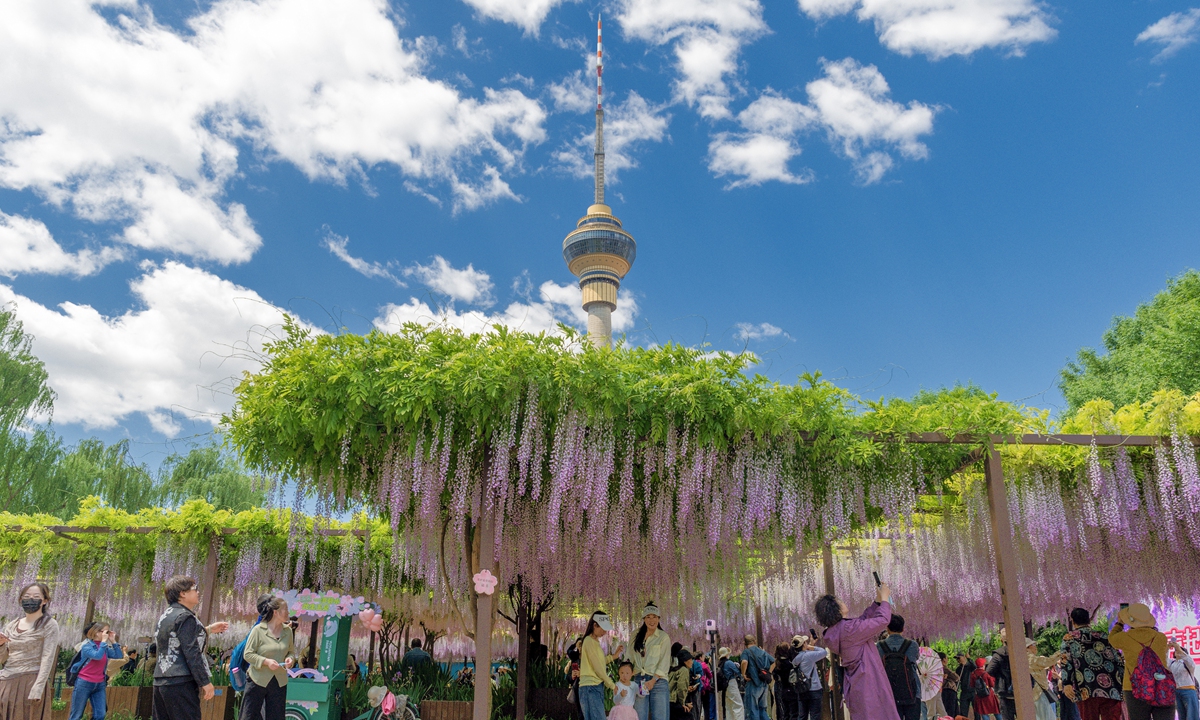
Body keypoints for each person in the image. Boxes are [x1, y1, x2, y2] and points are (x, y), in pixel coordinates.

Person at [152, 575, 229, 720]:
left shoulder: (166, 615)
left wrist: (208, 629)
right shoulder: (185, 616)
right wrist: (205, 681)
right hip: (181, 682)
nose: (198, 592)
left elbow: (177, 639)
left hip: (161, 680)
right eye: (195, 589)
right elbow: (191, 651)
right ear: (182, 593)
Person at [816, 582, 896, 720]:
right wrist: (884, 598)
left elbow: (863, 621)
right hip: (869, 681)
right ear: (836, 609)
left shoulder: (837, 631)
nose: (843, 602)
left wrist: (877, 602)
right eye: (839, 601)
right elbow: (883, 620)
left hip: (857, 683)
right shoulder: (849, 630)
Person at [0, 582, 59, 720]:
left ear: (44, 601)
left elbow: (47, 657)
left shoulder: (49, 625)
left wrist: (38, 687)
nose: (30, 599)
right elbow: (3, 659)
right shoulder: (11, 624)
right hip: (6, 680)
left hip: (30, 680)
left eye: (35, 596)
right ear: (20, 600)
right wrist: (1, 645)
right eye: (26, 596)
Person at [1109, 603, 1173, 720]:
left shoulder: (1124, 638)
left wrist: (1119, 623)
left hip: (1134, 687)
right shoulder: (1161, 637)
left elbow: (1112, 639)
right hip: (1161, 685)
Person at [1059, 608, 1122, 720]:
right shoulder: (1103, 636)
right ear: (1088, 620)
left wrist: (1067, 682)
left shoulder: (1069, 638)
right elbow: (1118, 659)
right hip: (1111, 687)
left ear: (1073, 621)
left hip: (1085, 687)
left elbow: (1066, 662)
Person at [241, 595, 295, 720]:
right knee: (249, 716)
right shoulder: (258, 630)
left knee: (276, 716)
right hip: (257, 679)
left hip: (279, 680)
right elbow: (248, 654)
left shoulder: (288, 631)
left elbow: (291, 652)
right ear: (275, 612)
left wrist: (290, 659)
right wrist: (266, 661)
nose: (288, 612)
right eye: (285, 609)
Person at [68, 622, 125, 720]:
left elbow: (118, 655)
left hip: (99, 684)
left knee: (100, 715)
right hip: (84, 683)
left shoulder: (105, 647)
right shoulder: (86, 646)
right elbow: (97, 656)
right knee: (76, 715)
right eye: (105, 632)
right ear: (96, 632)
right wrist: (103, 641)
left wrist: (113, 641)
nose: (106, 634)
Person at [627, 603, 672, 720]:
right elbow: (629, 657)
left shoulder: (663, 637)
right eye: (648, 617)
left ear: (659, 619)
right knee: (639, 715)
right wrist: (626, 674)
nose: (651, 620)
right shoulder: (635, 635)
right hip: (639, 679)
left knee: (660, 716)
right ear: (643, 619)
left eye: (654, 617)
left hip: (658, 681)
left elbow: (664, 662)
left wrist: (653, 680)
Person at [579, 611, 623, 720]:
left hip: (592, 686)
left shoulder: (594, 642)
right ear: (594, 625)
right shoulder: (589, 641)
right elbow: (597, 667)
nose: (604, 632)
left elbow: (599, 661)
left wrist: (614, 656)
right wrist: (611, 685)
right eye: (602, 628)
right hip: (591, 686)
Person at [878, 614, 921, 720]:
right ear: (903, 628)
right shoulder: (913, 645)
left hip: (889, 694)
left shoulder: (879, 646)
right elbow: (916, 658)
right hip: (912, 692)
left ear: (887, 628)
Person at [1025, 637, 1063, 720]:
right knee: (1046, 716)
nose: (1035, 647)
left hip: (1030, 693)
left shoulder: (1022, 659)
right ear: (1028, 647)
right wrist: (1060, 652)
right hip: (1038, 692)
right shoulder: (1030, 658)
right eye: (1033, 645)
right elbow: (1048, 661)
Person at [791, 636, 827, 720]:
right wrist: (812, 647)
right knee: (815, 715)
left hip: (801, 689)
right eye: (805, 642)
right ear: (804, 644)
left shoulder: (794, 659)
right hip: (814, 689)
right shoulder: (808, 656)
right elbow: (824, 652)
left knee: (802, 716)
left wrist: (809, 645)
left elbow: (805, 654)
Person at [738, 635, 773, 720]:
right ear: (754, 641)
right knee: (762, 710)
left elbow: (744, 662)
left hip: (753, 682)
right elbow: (773, 661)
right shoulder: (762, 652)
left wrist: (743, 674)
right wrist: (768, 673)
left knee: (752, 710)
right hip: (763, 684)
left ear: (744, 643)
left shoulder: (746, 652)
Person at [986, 629, 1017, 720]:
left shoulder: (998, 655)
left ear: (1001, 640)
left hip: (1005, 690)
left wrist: (999, 674)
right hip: (1021, 690)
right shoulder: (1021, 651)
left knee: (1007, 717)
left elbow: (989, 671)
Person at [1167, 638, 1197, 720]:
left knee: (1192, 716)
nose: (1178, 652)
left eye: (1180, 651)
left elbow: (1188, 659)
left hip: (1188, 691)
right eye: (1176, 651)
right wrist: (1167, 648)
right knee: (1181, 715)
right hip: (1177, 691)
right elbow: (1164, 660)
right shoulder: (1172, 663)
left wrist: (1178, 648)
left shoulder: (1187, 664)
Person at [718, 647, 745, 720]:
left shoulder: (720, 663)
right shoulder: (729, 662)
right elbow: (739, 672)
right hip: (731, 683)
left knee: (729, 706)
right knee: (738, 705)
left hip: (725, 687)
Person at [670, 650, 698, 720]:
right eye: (690, 660)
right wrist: (682, 704)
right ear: (685, 661)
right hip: (674, 701)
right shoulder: (684, 670)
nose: (692, 662)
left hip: (668, 701)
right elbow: (681, 688)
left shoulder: (674, 670)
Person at [773, 643, 798, 720]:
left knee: (785, 713)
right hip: (791, 690)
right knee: (794, 713)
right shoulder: (790, 664)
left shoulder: (777, 663)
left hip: (783, 690)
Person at [938, 652, 960, 719]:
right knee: (951, 711)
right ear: (944, 659)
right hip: (948, 690)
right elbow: (956, 677)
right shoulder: (943, 668)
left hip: (942, 691)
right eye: (947, 658)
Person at [956, 654, 976, 719]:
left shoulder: (970, 666)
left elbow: (975, 666)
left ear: (963, 657)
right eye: (957, 659)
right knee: (963, 711)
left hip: (973, 690)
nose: (958, 660)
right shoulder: (959, 669)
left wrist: (969, 658)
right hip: (964, 691)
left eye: (959, 658)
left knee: (977, 711)